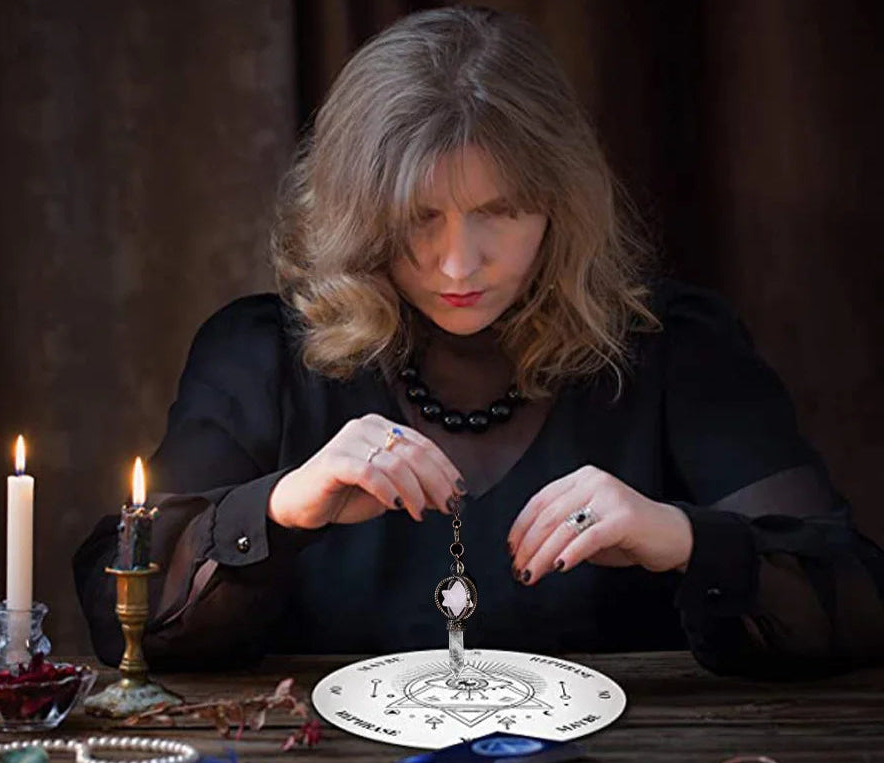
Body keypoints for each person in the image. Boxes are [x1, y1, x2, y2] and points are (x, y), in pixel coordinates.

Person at [74, 6, 884, 677]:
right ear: (361, 215)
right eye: (420, 218)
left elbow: (858, 602)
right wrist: (284, 507)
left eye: (500, 212)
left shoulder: (678, 347)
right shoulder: (257, 353)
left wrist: (680, 538)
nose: (458, 264)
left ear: (561, 207)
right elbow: (124, 623)